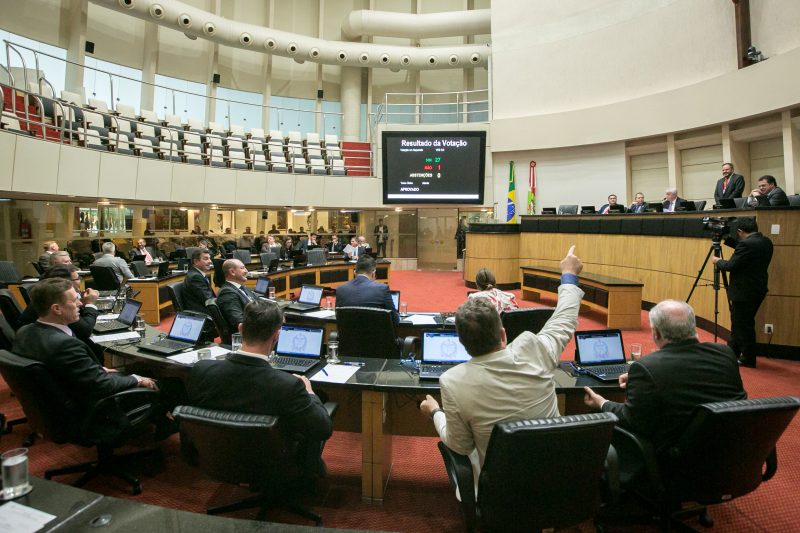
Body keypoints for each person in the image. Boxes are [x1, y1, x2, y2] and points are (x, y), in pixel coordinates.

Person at [419, 246, 584, 484]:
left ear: (463, 344)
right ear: (504, 334)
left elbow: (460, 446)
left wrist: (435, 412)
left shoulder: (453, 381)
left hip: (500, 490)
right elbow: (565, 318)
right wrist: (568, 274)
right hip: (555, 480)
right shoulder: (536, 351)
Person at [188, 299, 333, 477]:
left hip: (221, 457)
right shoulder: (288, 385)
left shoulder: (202, 370)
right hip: (275, 463)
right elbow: (323, 429)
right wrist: (310, 393)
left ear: (241, 329)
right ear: (277, 336)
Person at [583, 300, 746, 456]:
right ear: (692, 326)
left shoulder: (646, 367)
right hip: (728, 451)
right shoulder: (725, 354)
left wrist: (602, 403)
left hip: (676, 460)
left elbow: (631, 420)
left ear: (656, 333)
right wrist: (642, 383)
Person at [13, 278, 157, 413]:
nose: (80, 304)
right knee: (169, 384)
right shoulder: (64, 344)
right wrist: (136, 379)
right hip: (88, 407)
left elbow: (59, 368)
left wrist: (94, 369)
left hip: (55, 404)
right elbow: (101, 385)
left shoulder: (24, 331)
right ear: (56, 309)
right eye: (75, 300)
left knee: (141, 373)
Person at [712, 217, 773, 367]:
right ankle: (733, 352)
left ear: (740, 231)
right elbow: (746, 252)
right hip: (757, 289)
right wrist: (727, 239)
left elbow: (732, 265)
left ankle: (748, 358)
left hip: (744, 291)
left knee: (743, 325)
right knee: (742, 323)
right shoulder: (765, 242)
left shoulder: (746, 245)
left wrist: (717, 261)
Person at [18, 265, 104, 363]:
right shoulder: (65, 344)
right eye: (77, 278)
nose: (80, 280)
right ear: (64, 284)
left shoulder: (45, 298)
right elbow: (84, 330)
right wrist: (90, 304)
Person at [335, 255, 399, 325]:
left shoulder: (340, 289)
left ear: (354, 272)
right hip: (376, 335)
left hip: (349, 335)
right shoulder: (382, 289)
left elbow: (338, 317)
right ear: (374, 272)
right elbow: (395, 319)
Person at [215, 259, 256, 333]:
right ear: (232, 272)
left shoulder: (242, 288)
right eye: (242, 268)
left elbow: (258, 301)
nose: (246, 271)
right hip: (249, 335)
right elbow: (238, 321)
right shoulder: (227, 293)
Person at [182, 249, 215, 314]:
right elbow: (208, 300)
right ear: (196, 261)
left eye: (209, 258)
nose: (210, 261)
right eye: (206, 259)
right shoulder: (196, 277)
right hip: (202, 313)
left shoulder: (196, 274)